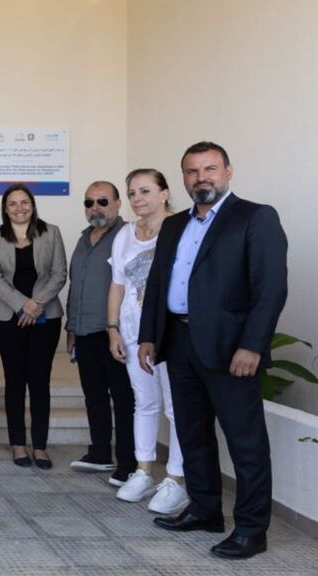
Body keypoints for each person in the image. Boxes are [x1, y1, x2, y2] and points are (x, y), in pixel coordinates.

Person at [139, 142, 287, 559]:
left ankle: (252, 530)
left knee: (245, 442)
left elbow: (270, 288)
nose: (201, 178)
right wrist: (149, 335)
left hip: (231, 349)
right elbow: (158, 283)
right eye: (192, 171)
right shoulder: (173, 226)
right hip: (179, 341)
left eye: (210, 169)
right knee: (192, 432)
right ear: (183, 178)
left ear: (228, 172)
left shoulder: (255, 217)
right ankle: (205, 510)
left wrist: (252, 346)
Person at [107, 169, 188, 514]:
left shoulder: (181, 229)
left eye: (145, 191)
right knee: (145, 402)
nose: (137, 198)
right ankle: (143, 471)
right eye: (132, 193)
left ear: (165, 193)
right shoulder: (125, 234)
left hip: (168, 333)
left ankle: (177, 479)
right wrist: (112, 328)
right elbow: (118, 285)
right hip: (131, 330)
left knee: (176, 407)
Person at [0, 183, 66, 469]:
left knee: (40, 381)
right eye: (13, 204)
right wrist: (22, 305)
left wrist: (36, 304)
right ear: (5, 209)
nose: (19, 208)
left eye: (24, 202)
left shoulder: (51, 231)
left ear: (32, 205)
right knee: (15, 381)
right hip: (8, 318)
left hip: (46, 318)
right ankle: (18, 444)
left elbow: (59, 273)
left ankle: (40, 446)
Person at [65, 181, 135, 485]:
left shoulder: (128, 236)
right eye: (89, 202)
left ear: (118, 204)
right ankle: (100, 453)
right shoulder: (83, 240)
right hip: (84, 330)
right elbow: (75, 286)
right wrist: (70, 327)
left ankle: (129, 462)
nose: (96, 207)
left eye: (103, 201)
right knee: (93, 395)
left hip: (113, 332)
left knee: (123, 398)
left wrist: (116, 329)